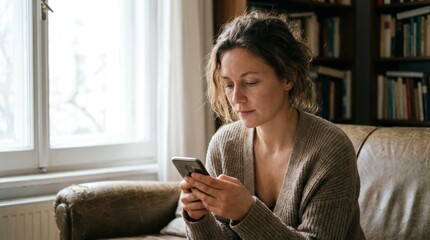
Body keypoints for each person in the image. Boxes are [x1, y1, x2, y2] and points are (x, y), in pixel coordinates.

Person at [179, 11, 365, 240]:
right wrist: (198, 218)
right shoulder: (224, 144)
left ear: (288, 78)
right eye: (228, 84)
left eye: (250, 82)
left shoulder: (330, 150)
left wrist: (246, 212)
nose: (236, 97)